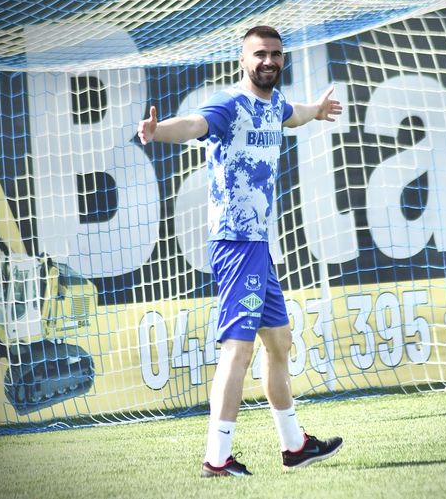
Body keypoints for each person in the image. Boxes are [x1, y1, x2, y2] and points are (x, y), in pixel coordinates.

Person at [137, 25, 343, 477]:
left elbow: (294, 114)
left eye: (275, 54)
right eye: (259, 54)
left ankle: (294, 446)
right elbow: (194, 124)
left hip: (258, 247)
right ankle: (217, 458)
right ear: (243, 60)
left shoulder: (275, 105)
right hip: (235, 244)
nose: (268, 61)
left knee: (280, 342)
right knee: (238, 350)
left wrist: (317, 110)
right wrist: (158, 130)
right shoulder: (230, 104)